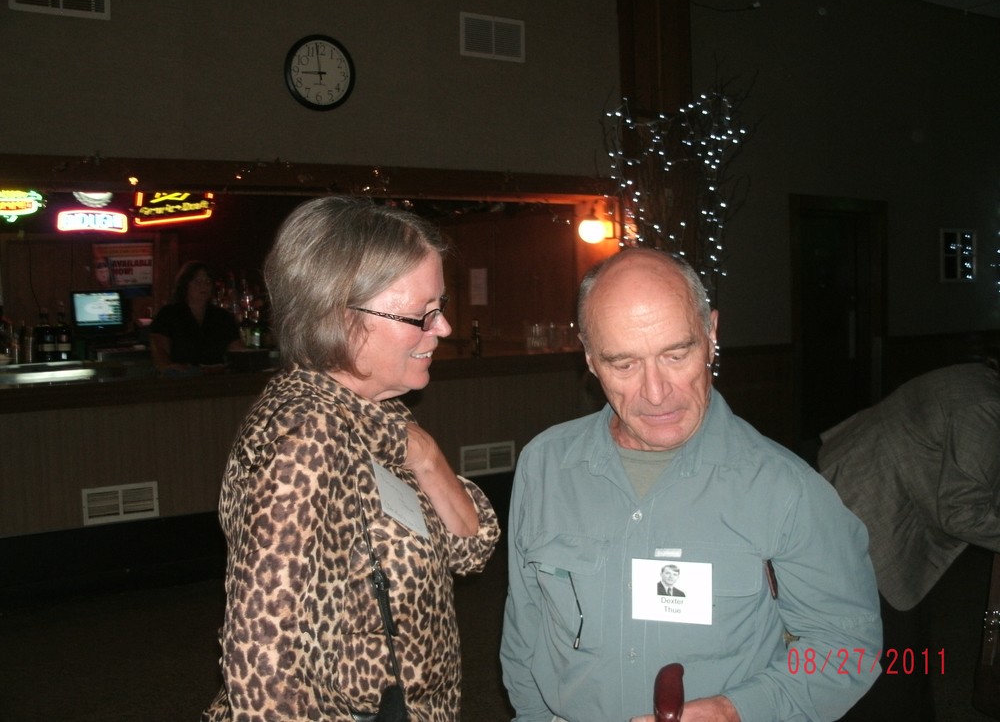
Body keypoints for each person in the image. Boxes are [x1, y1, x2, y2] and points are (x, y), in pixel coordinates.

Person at [500, 248, 882, 722]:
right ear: (591, 359)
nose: (656, 392)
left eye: (676, 355)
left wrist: (737, 710)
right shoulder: (544, 466)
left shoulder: (787, 490)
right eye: (624, 364)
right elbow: (525, 627)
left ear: (712, 335)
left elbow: (847, 647)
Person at [202, 197, 501, 722]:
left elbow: (471, 548)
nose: (444, 328)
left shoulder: (377, 414)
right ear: (341, 316)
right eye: (423, 313)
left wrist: (427, 456)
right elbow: (261, 660)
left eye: (441, 306)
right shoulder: (307, 433)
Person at [816, 358, 1000, 721]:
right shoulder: (986, 407)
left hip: (855, 483)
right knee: (890, 653)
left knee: (903, 646)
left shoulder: (979, 379)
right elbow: (962, 512)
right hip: (867, 511)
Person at [149, 260, 243, 374]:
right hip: (182, 377)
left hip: (216, 378)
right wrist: (168, 366)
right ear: (185, 284)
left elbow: (237, 350)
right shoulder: (169, 314)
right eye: (198, 281)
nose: (204, 285)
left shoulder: (222, 317)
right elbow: (159, 348)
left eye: (208, 281)